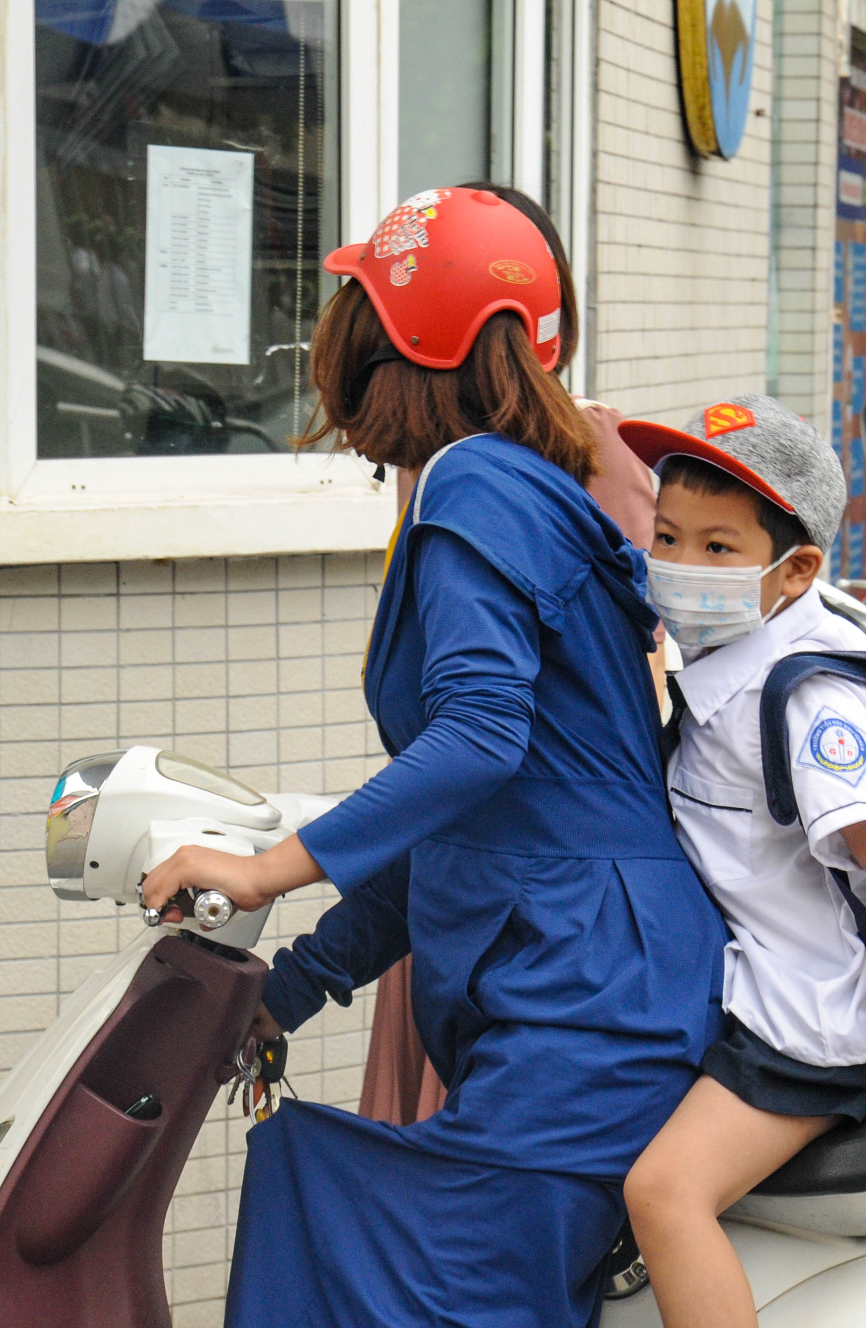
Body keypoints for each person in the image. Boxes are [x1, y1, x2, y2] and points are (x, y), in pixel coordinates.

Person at [139, 188, 727, 1326]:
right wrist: (293, 984)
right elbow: (482, 814)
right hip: (586, 985)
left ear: (405, 345)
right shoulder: (523, 485)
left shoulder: (474, 481)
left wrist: (267, 867)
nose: (328, 370)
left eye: (348, 333)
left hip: (580, 1005)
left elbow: (474, 741)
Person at [613, 396, 866, 1328]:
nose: (678, 566)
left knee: (663, 1194)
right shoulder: (750, 647)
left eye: (718, 549)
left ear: (798, 569)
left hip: (814, 1021)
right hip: (762, 984)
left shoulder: (811, 694)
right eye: (666, 536)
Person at [357, 181, 662, 1128]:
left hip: (538, 902)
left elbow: (624, 679)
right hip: (460, 863)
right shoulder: (442, 461)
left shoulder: (558, 458)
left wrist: (282, 863)